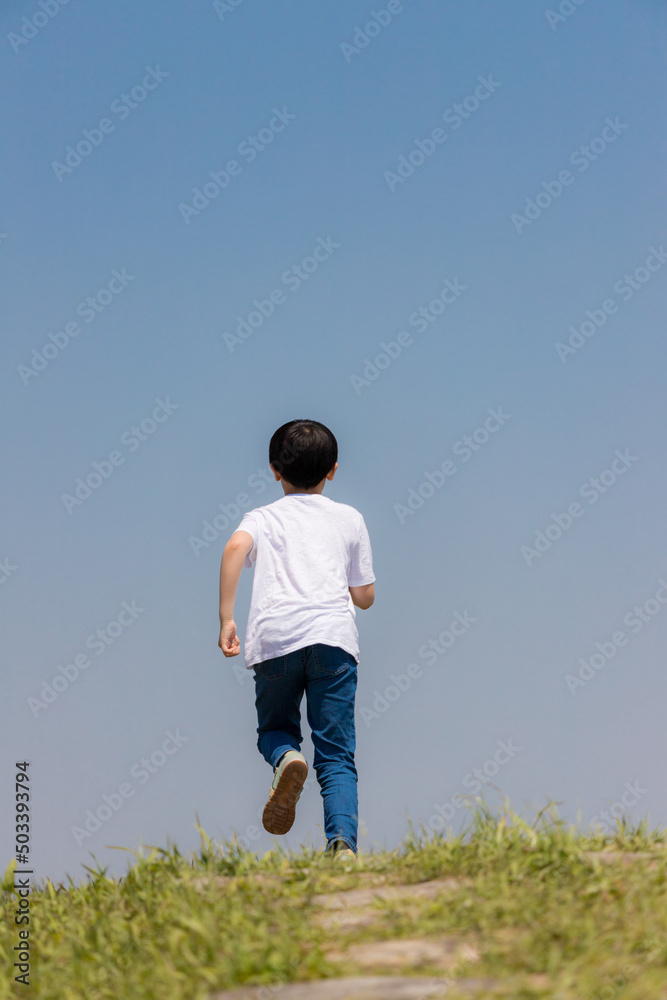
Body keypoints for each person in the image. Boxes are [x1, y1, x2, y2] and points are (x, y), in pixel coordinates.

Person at [218, 419, 375, 859]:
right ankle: (342, 846)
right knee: (336, 754)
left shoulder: (262, 518)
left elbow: (234, 549)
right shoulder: (349, 519)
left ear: (274, 470)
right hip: (333, 643)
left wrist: (227, 618)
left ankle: (286, 756)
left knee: (274, 729)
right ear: (333, 470)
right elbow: (365, 597)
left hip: (275, 643)